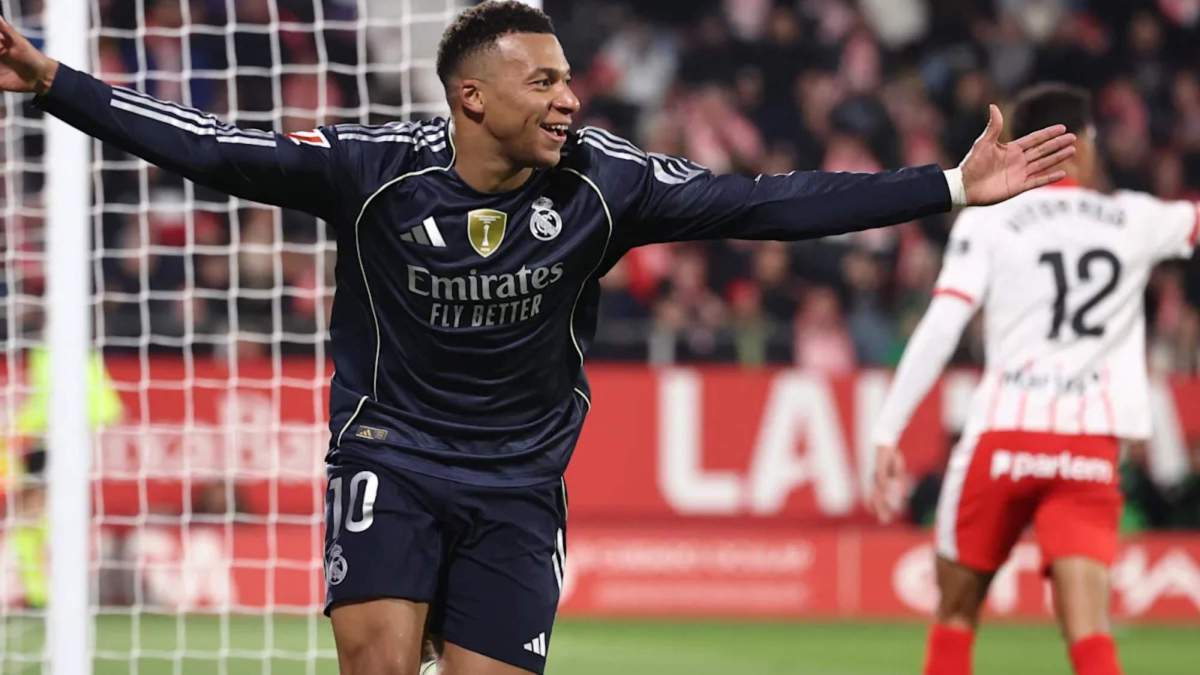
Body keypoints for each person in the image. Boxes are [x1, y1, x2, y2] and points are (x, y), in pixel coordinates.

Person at [0, 2, 1076, 673]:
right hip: (394, 458)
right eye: (545, 80)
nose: (572, 96)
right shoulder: (375, 176)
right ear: (472, 97)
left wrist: (943, 185)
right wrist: (57, 83)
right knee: (374, 665)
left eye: (567, 76)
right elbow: (213, 146)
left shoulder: (609, 184)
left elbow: (768, 200)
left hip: (520, 484)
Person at [869, 83, 1199, 675]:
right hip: (1088, 447)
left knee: (955, 617)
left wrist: (888, 431)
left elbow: (942, 324)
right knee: (1089, 635)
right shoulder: (1136, 218)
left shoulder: (990, 221)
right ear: (1084, 144)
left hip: (1003, 437)